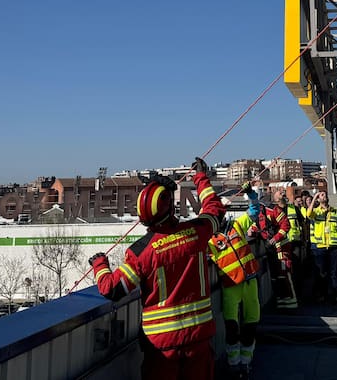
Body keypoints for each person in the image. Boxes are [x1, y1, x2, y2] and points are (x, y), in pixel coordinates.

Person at [91, 157, 224, 380]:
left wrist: (99, 264)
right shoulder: (196, 232)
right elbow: (215, 211)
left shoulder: (141, 253)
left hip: (162, 347)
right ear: (171, 207)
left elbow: (112, 289)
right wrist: (200, 178)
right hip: (198, 338)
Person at [216, 183, 264, 378]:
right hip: (230, 285)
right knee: (232, 327)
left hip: (249, 281)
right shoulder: (209, 238)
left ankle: (246, 362)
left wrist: (250, 193)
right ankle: (233, 363)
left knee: (252, 322)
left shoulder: (236, 224)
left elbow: (254, 210)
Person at [308, 190, 337, 304]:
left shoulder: (335, 212)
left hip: (333, 246)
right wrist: (315, 197)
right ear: (319, 200)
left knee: (334, 272)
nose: (324, 196)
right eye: (321, 195)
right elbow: (308, 214)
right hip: (320, 246)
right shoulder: (316, 212)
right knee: (321, 272)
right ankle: (323, 295)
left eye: (325, 194)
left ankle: (336, 294)